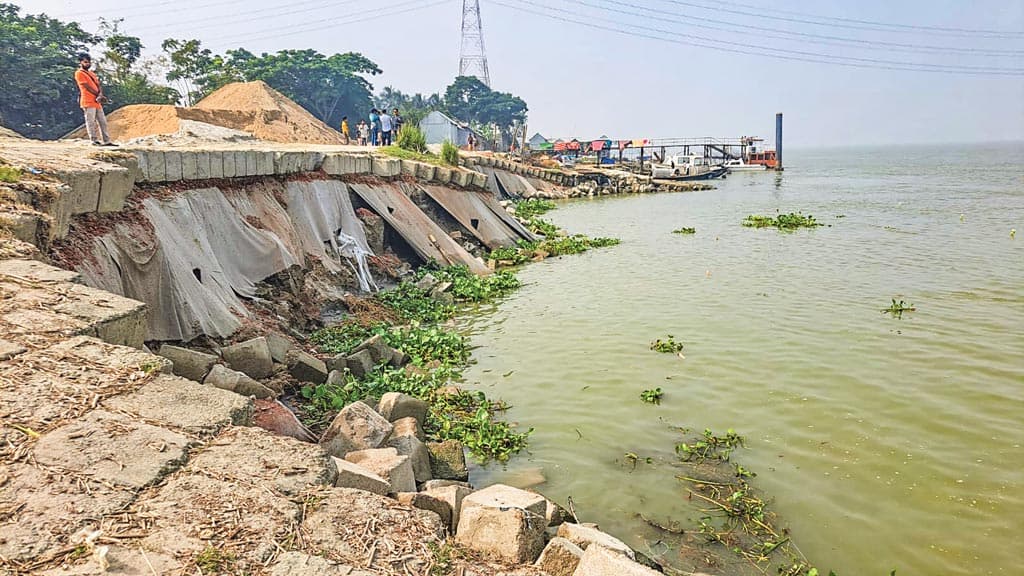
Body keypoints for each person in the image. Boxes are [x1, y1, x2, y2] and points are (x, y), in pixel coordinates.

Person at [74, 53, 116, 147]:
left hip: (97, 101)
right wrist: (98, 94)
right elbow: (86, 86)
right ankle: (94, 140)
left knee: (103, 122)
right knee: (91, 122)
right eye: (85, 62)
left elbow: (98, 85)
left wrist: (100, 94)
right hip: (88, 101)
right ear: (80, 62)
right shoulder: (79, 73)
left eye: (89, 62)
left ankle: (107, 140)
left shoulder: (92, 73)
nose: (88, 64)